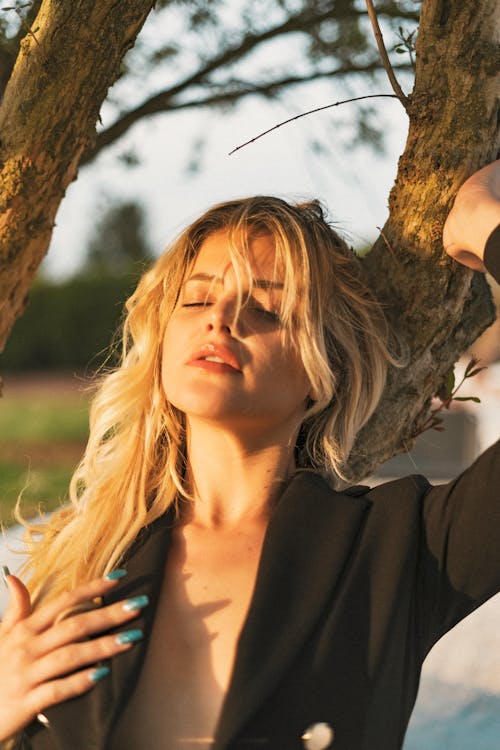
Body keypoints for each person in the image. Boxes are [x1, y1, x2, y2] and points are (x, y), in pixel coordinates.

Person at [1, 160, 499, 750]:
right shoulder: (82, 564)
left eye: (267, 308)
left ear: (325, 369)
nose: (221, 317)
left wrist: (485, 224)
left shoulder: (401, 548)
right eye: (197, 299)